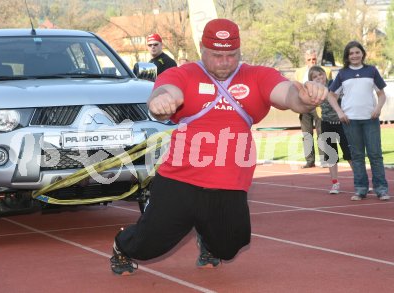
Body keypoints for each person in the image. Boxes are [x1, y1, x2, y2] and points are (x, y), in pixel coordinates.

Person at [109, 18, 328, 276]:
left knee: (230, 246)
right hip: (181, 178)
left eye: (231, 55)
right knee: (149, 244)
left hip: (230, 181)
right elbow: (168, 92)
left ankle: (207, 239)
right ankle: (122, 246)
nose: (224, 62)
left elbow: (289, 95)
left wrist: (304, 99)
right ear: (202, 49)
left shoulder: (258, 76)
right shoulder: (184, 73)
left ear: (239, 51)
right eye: (216, 55)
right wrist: (162, 101)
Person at [328, 41, 390, 201]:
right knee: (357, 156)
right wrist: (340, 112)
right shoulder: (342, 74)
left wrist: (378, 109)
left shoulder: (371, 71)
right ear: (347, 57)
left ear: (362, 53)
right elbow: (331, 96)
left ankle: (381, 189)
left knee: (375, 154)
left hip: (371, 119)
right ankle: (361, 189)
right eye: (351, 54)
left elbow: (382, 94)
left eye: (357, 52)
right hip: (350, 121)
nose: (354, 56)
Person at [308, 66, 352, 194]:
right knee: (331, 156)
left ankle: (360, 181)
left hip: (342, 123)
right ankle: (335, 183)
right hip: (327, 124)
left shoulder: (334, 84)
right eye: (315, 77)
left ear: (325, 75)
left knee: (350, 154)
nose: (319, 78)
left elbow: (343, 96)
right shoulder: (314, 91)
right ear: (311, 80)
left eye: (320, 75)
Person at [295, 49, 332, 168]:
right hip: (304, 106)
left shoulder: (326, 71)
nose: (312, 61)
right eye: (309, 59)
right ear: (305, 60)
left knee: (322, 133)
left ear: (317, 58)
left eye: (314, 59)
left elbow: (330, 88)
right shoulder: (299, 72)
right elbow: (296, 89)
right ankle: (310, 161)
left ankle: (324, 160)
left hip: (320, 106)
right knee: (307, 135)